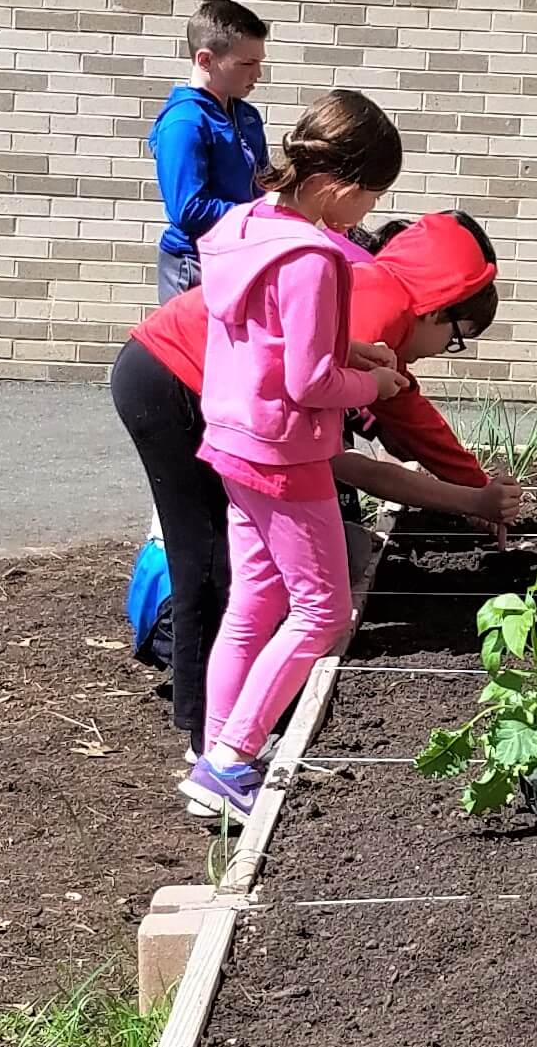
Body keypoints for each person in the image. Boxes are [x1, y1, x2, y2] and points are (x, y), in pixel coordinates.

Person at [113, 205, 521, 783]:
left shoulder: (383, 296)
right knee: (223, 570)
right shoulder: (377, 307)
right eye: (458, 339)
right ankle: (215, 746)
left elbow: (406, 415)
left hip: (225, 411)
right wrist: (471, 497)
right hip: (177, 382)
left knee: (250, 587)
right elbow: (340, 454)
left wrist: (473, 486)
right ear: (441, 309)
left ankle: (219, 748)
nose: (444, 352)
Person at [165, 90, 409, 821]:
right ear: (336, 184)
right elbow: (307, 380)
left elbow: (271, 339)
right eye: (367, 198)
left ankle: (215, 752)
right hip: (285, 451)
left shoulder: (244, 225)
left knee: (256, 602)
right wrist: (376, 378)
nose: (363, 214)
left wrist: (350, 348)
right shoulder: (312, 258)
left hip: (234, 435)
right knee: (324, 609)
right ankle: (232, 758)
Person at [149, 0, 270, 302]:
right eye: (247, 64)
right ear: (205, 60)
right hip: (194, 265)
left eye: (260, 62)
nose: (258, 75)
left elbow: (264, 184)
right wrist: (258, 216)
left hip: (237, 259)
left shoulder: (247, 116)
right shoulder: (184, 122)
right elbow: (188, 209)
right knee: (195, 351)